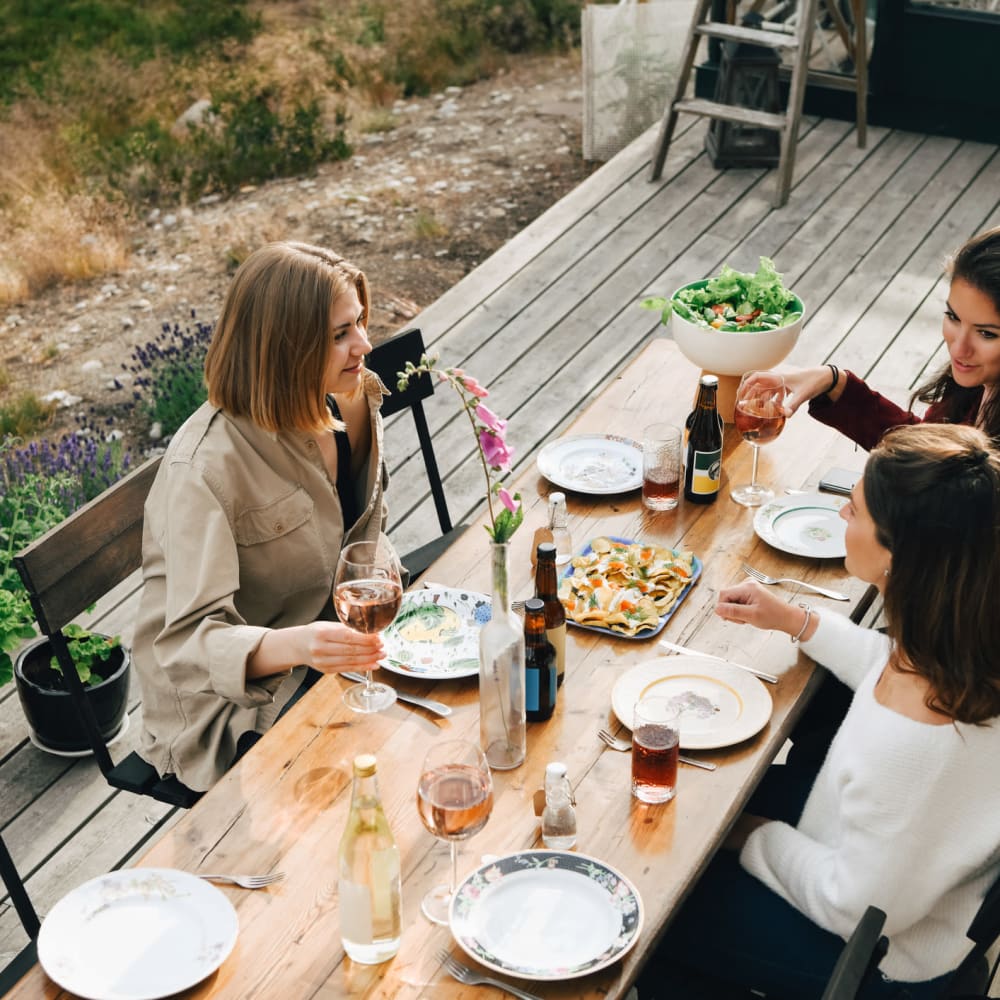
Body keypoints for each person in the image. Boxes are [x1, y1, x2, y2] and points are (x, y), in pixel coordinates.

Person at [638, 423, 1000, 999]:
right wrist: (796, 620)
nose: (840, 520)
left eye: (853, 512)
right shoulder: (962, 646)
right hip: (879, 862)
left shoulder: (916, 741)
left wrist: (750, 836)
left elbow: (850, 904)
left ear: (897, 551)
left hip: (875, 959)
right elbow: (884, 668)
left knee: (656, 903)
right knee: (704, 803)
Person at [133, 241, 391, 792]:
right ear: (285, 350)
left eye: (360, 323)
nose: (364, 345)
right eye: (340, 334)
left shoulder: (348, 395)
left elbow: (363, 526)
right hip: (228, 710)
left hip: (332, 646)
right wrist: (301, 645)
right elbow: (184, 647)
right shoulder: (201, 471)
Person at [781, 225, 1000, 450]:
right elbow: (928, 450)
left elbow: (934, 468)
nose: (959, 349)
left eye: (987, 334)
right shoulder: (977, 384)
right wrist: (834, 382)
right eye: (953, 317)